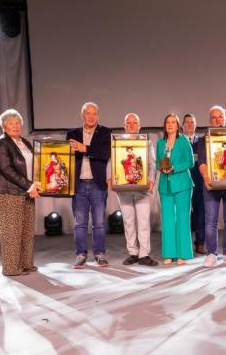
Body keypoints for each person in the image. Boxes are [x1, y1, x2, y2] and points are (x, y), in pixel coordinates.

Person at [0, 109, 40, 276]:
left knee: (26, 229)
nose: (15, 126)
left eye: (17, 122)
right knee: (11, 231)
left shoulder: (24, 141)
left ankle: (26, 264)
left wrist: (36, 183)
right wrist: (29, 185)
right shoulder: (2, 143)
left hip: (26, 191)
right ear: (4, 126)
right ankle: (11, 268)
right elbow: (6, 169)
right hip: (7, 192)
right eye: (11, 123)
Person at [67, 102, 112, 268]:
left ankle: (99, 254)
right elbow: (67, 158)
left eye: (94, 113)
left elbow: (105, 153)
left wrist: (84, 148)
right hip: (78, 184)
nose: (91, 116)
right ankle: (80, 254)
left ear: (98, 116)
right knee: (80, 223)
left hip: (97, 184)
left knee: (99, 222)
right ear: (82, 115)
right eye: (88, 113)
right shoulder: (72, 134)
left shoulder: (105, 133)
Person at [198, 105, 226, 267]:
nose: (217, 120)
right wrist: (207, 178)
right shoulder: (204, 140)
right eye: (214, 118)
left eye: (220, 117)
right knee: (211, 221)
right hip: (211, 185)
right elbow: (202, 162)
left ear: (225, 119)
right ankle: (211, 254)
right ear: (210, 121)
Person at [116, 113, 158, 266]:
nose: (132, 125)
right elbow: (114, 163)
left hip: (142, 188)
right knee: (128, 222)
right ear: (125, 126)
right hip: (124, 188)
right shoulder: (118, 143)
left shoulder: (146, 142)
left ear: (139, 126)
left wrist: (151, 180)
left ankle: (144, 254)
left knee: (143, 221)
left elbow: (152, 164)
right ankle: (133, 252)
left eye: (135, 123)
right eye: (129, 123)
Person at [156, 113, 194, 264]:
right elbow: (158, 162)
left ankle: (182, 254)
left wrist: (174, 168)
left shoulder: (183, 141)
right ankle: (169, 253)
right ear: (165, 126)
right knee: (168, 219)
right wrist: (162, 168)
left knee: (183, 218)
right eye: (168, 123)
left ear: (178, 126)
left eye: (173, 122)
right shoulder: (160, 143)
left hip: (183, 184)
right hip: (165, 185)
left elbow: (190, 162)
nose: (170, 125)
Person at [183, 113, 206, 254]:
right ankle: (185, 244)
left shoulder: (203, 141)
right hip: (183, 182)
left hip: (199, 181)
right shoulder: (178, 141)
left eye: (192, 122)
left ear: (195, 125)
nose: (190, 125)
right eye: (187, 122)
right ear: (183, 125)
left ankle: (200, 243)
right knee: (184, 214)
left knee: (200, 214)